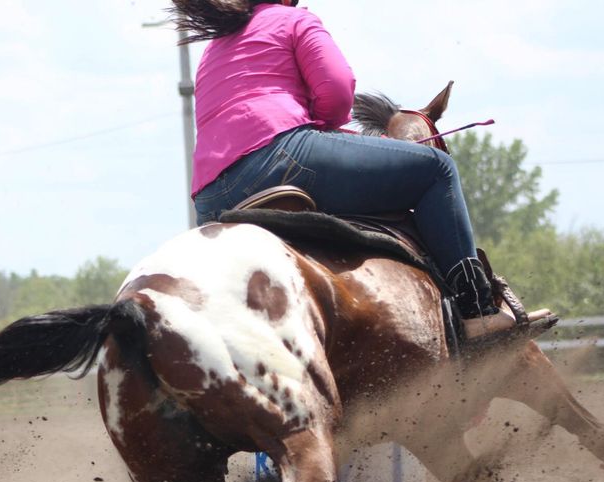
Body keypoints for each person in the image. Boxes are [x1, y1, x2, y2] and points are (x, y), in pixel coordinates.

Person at [170, 0, 551, 340]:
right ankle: (476, 309)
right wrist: (325, 128)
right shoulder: (293, 20)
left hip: (211, 198)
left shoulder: (214, 49)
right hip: (282, 159)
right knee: (437, 169)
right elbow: (338, 94)